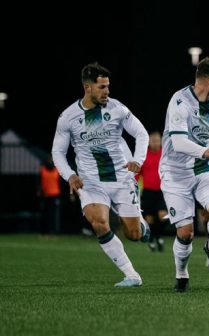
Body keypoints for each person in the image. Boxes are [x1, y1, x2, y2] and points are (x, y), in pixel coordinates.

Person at [51, 62, 151, 287]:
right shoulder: (68, 117)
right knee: (99, 223)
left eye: (108, 86)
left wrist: (138, 160)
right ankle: (131, 275)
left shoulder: (118, 109)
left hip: (121, 177)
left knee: (133, 234)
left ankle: (142, 226)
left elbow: (142, 134)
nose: (107, 91)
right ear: (87, 87)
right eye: (102, 87)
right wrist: (70, 175)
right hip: (91, 181)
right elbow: (57, 152)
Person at [159, 56, 209, 293]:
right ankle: (181, 275)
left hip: (204, 167)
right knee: (185, 234)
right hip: (175, 172)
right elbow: (179, 142)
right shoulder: (180, 101)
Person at [138, 131, 168, 252]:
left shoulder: (165, 154)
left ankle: (159, 236)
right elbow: (138, 173)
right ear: (148, 142)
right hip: (148, 191)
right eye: (153, 141)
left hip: (162, 191)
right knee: (149, 218)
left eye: (157, 140)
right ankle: (151, 239)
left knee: (163, 216)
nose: (155, 143)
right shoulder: (143, 155)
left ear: (161, 141)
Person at [38, 156, 62, 236]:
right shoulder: (42, 171)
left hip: (55, 195)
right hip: (45, 195)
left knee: (53, 215)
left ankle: (53, 231)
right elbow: (39, 182)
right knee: (44, 215)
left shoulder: (56, 171)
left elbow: (60, 183)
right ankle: (44, 231)